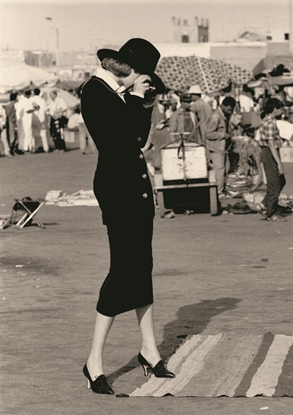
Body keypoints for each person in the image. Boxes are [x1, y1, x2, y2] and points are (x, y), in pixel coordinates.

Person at [79, 38, 175, 395]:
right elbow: (118, 140)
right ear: (121, 65)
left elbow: (137, 138)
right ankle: (93, 361)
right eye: (137, 71)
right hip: (117, 190)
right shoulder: (95, 91)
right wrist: (135, 98)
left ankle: (149, 351)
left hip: (134, 188)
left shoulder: (119, 93)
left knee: (141, 267)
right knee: (122, 269)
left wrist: (144, 102)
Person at [257, 98, 287, 222]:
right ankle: (271, 213)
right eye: (280, 109)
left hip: (268, 152)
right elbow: (271, 144)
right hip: (270, 153)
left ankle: (264, 204)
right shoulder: (269, 123)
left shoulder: (267, 121)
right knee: (274, 184)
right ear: (275, 109)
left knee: (281, 181)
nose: (282, 111)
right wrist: (279, 163)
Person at [204, 96, 236, 196]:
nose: (230, 111)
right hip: (216, 148)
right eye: (229, 109)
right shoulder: (215, 117)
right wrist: (223, 135)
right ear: (223, 105)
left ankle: (223, 189)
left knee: (226, 169)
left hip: (223, 148)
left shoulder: (224, 115)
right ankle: (219, 192)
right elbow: (208, 134)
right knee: (220, 171)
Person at [30, 88, 50, 153]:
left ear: (33, 93)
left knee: (33, 134)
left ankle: (33, 148)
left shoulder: (30, 100)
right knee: (43, 133)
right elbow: (46, 110)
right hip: (42, 119)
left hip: (33, 119)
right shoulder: (43, 101)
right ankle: (46, 148)